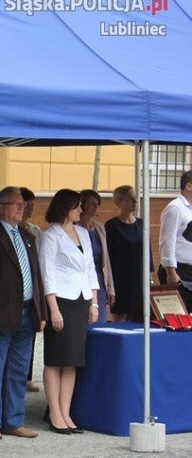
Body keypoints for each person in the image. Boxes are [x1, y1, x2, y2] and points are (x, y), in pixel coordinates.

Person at [0, 186, 46, 441]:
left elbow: (36, 276)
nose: (20, 207)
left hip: (26, 312)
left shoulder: (28, 237)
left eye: (22, 203)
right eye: (15, 203)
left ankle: (13, 420)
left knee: (18, 371)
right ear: (0, 207)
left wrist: (41, 311)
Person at [39, 189, 99, 435]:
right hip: (61, 302)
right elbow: (47, 274)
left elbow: (90, 269)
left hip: (81, 300)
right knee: (56, 358)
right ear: (65, 208)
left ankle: (66, 412)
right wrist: (53, 309)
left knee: (72, 360)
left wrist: (94, 302)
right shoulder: (50, 235)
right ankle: (54, 412)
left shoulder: (84, 233)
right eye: (77, 206)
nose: (81, 210)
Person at [105, 185, 153, 321]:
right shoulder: (112, 226)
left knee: (140, 319)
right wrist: (109, 285)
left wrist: (149, 277)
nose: (135, 201)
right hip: (120, 281)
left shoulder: (142, 224)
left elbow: (147, 252)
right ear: (119, 202)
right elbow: (107, 257)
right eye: (129, 199)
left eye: (135, 197)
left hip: (140, 280)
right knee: (119, 320)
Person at [77, 190, 115, 323]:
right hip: (81, 281)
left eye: (97, 204)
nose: (96, 207)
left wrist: (111, 288)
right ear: (82, 205)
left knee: (100, 320)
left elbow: (106, 260)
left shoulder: (100, 228)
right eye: (92, 204)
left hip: (99, 281)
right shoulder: (74, 228)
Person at [19, 187, 43, 393]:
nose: (29, 208)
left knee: (30, 336)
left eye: (32, 204)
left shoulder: (36, 231)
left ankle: (26, 377)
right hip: (14, 292)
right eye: (27, 204)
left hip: (32, 289)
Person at [158, 169, 192, 311]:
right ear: (189, 186)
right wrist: (171, 272)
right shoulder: (175, 208)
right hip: (179, 271)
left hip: (189, 270)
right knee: (178, 316)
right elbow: (167, 241)